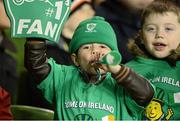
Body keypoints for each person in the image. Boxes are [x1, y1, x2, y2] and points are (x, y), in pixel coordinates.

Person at [24, 16, 154, 120]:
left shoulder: (124, 83)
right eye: (86, 47)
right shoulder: (62, 77)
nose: (95, 51)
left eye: (103, 47)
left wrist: (117, 70)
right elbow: (37, 66)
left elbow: (146, 94)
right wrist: (36, 37)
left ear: (114, 55)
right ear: (76, 59)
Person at [126, 0, 180, 120]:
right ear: (141, 36)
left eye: (168, 29)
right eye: (151, 29)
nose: (159, 34)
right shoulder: (128, 71)